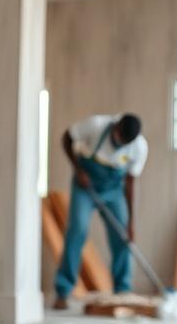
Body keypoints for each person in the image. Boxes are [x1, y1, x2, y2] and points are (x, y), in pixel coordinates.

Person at [53, 113, 147, 309]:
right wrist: (78, 170)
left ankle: (122, 290)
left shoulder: (139, 148)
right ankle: (63, 291)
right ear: (116, 126)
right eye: (118, 137)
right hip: (85, 185)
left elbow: (130, 183)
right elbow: (66, 139)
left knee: (122, 236)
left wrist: (130, 222)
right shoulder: (96, 125)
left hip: (113, 190)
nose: (119, 142)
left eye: (124, 142)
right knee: (77, 230)